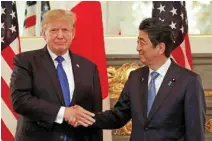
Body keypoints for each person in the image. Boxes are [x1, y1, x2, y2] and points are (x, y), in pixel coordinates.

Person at [72, 18, 206, 141]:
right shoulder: (136, 77)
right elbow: (118, 116)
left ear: (160, 48)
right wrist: (85, 117)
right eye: (138, 42)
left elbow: (195, 133)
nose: (138, 48)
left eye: (142, 43)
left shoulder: (189, 81)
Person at [10, 9, 102, 141]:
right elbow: (20, 100)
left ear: (73, 33)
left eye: (65, 30)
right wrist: (64, 112)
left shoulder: (89, 67)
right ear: (44, 34)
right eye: (54, 30)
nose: (60, 36)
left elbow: (94, 115)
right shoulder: (25, 61)